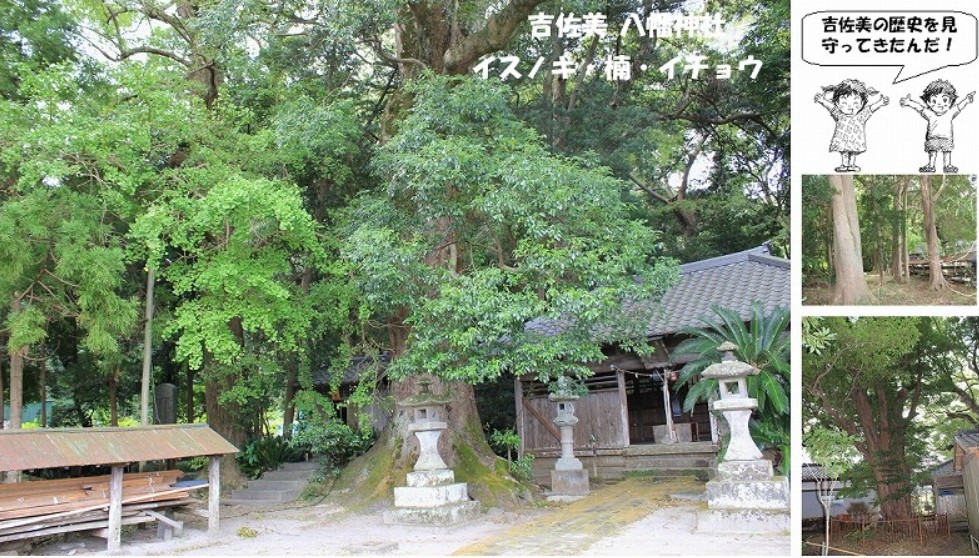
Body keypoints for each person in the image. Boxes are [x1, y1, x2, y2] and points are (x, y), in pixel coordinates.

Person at [900, 79, 975, 173]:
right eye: (934, 101)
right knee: (932, 151)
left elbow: (959, 106)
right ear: (928, 102)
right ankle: (931, 166)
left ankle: (947, 166)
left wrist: (967, 100)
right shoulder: (930, 113)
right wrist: (909, 102)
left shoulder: (950, 113)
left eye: (944, 100)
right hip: (933, 137)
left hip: (947, 138)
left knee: (947, 151)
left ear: (951, 101)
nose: (939, 104)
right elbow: (919, 108)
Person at [814, 79, 888, 173]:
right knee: (844, 152)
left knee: (854, 152)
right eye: (845, 103)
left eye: (855, 104)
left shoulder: (861, 116)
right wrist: (822, 100)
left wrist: (881, 103)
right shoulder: (840, 115)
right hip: (843, 139)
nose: (850, 107)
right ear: (837, 103)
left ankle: (852, 165)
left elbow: (871, 109)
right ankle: (845, 165)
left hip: (855, 139)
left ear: (862, 103)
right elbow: (830, 107)